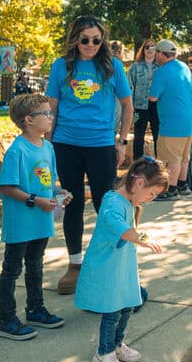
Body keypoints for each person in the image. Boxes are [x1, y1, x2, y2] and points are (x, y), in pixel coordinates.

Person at [45, 16, 133, 295]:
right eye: (85, 40)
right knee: (72, 204)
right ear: (75, 39)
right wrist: (48, 145)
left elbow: (127, 106)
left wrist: (122, 142)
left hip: (101, 145)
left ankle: (112, 264)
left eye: (97, 40)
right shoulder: (61, 66)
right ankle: (75, 265)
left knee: (105, 206)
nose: (91, 45)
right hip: (66, 144)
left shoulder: (112, 67)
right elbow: (52, 109)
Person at [74, 159, 167, 362]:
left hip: (121, 266)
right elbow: (118, 227)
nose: (150, 199)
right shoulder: (112, 201)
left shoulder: (128, 202)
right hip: (106, 267)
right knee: (112, 310)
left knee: (127, 305)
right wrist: (142, 238)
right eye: (151, 194)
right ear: (139, 183)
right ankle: (104, 353)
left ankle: (117, 344)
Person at [0, 93, 73, 341]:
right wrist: (34, 200)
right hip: (21, 223)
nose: (51, 117)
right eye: (46, 114)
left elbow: (49, 181)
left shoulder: (47, 147)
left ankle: (35, 309)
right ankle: (6, 319)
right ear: (28, 119)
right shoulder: (17, 150)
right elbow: (7, 186)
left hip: (41, 221)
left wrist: (60, 193)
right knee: (12, 269)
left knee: (36, 266)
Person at [148, 39, 192, 201]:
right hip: (189, 120)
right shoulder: (184, 67)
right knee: (183, 156)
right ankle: (183, 185)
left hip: (172, 122)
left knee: (170, 158)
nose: (155, 56)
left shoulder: (161, 71)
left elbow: (153, 97)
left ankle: (171, 189)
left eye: (156, 53)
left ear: (162, 54)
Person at [127, 40, 159, 158]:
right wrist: (130, 105)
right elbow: (129, 86)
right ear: (143, 50)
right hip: (140, 105)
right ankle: (137, 163)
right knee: (139, 135)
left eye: (153, 46)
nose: (150, 49)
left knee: (157, 134)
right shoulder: (135, 66)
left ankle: (158, 164)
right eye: (147, 47)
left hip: (157, 105)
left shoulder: (160, 66)